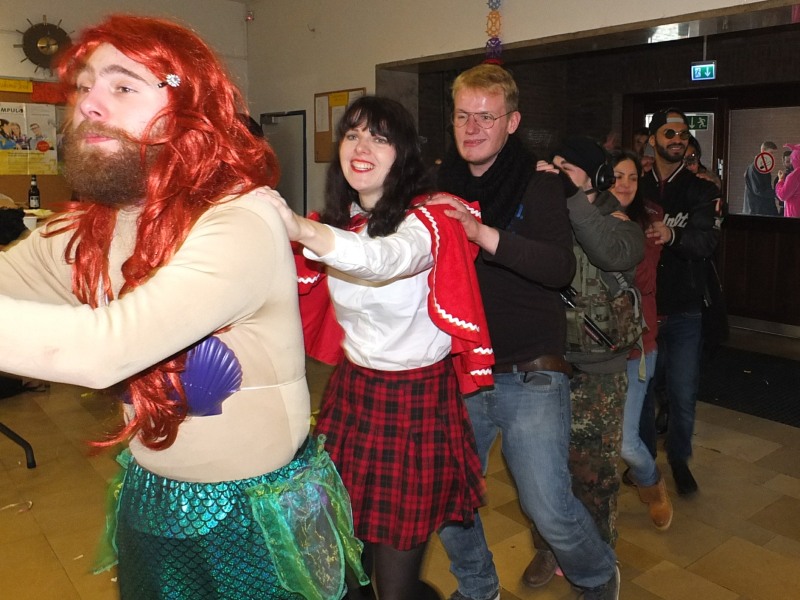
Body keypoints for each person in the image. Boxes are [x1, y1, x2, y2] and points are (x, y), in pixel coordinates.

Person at [0, 14, 365, 600]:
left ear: (189, 113)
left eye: (123, 86)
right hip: (152, 493)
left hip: (256, 514)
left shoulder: (240, 220)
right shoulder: (87, 229)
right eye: (84, 86)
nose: (88, 103)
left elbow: (105, 349)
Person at [264, 95, 490, 600]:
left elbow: (383, 260)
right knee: (344, 563)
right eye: (353, 134)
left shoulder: (427, 221)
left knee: (394, 583)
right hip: (355, 392)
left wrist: (300, 228)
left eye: (380, 138)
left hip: (414, 401)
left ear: (402, 154)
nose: (361, 147)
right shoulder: (340, 221)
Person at [432, 64, 620, 600]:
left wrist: (480, 232)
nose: (472, 128)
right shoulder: (438, 184)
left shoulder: (538, 182)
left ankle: (596, 573)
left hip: (529, 371)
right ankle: (478, 587)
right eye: (463, 116)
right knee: (448, 496)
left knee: (547, 506)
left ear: (512, 122)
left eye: (486, 117)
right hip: (461, 369)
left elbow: (559, 267)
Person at [522, 138, 645, 588]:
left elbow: (608, 253)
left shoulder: (621, 224)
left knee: (594, 478)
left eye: (566, 167)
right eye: (553, 167)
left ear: (595, 177)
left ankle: (599, 561)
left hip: (599, 374)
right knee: (542, 474)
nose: (557, 175)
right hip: (545, 366)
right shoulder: (543, 217)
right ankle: (546, 547)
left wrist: (573, 196)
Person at [639, 108, 720, 496]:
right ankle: (643, 464)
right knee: (641, 392)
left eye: (683, 134)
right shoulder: (635, 186)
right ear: (653, 139)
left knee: (683, 393)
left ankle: (679, 459)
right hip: (643, 308)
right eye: (669, 133)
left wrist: (672, 236)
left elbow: (706, 242)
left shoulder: (701, 189)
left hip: (686, 308)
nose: (678, 139)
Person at [611, 150, 673, 530]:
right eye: (618, 176)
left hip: (638, 344)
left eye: (633, 177)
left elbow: (646, 281)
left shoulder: (649, 221)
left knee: (625, 440)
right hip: (595, 347)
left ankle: (652, 484)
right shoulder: (587, 215)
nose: (625, 185)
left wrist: (626, 235)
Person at [743, 140, 779, 215]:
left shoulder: (761, 167)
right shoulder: (755, 168)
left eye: (774, 154)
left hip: (762, 208)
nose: (773, 156)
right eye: (771, 152)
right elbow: (759, 190)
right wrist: (777, 192)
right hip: (758, 210)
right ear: (763, 151)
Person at [775, 143, 800, 218]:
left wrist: (780, 180)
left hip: (794, 215)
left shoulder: (794, 176)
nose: (791, 163)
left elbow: (782, 195)